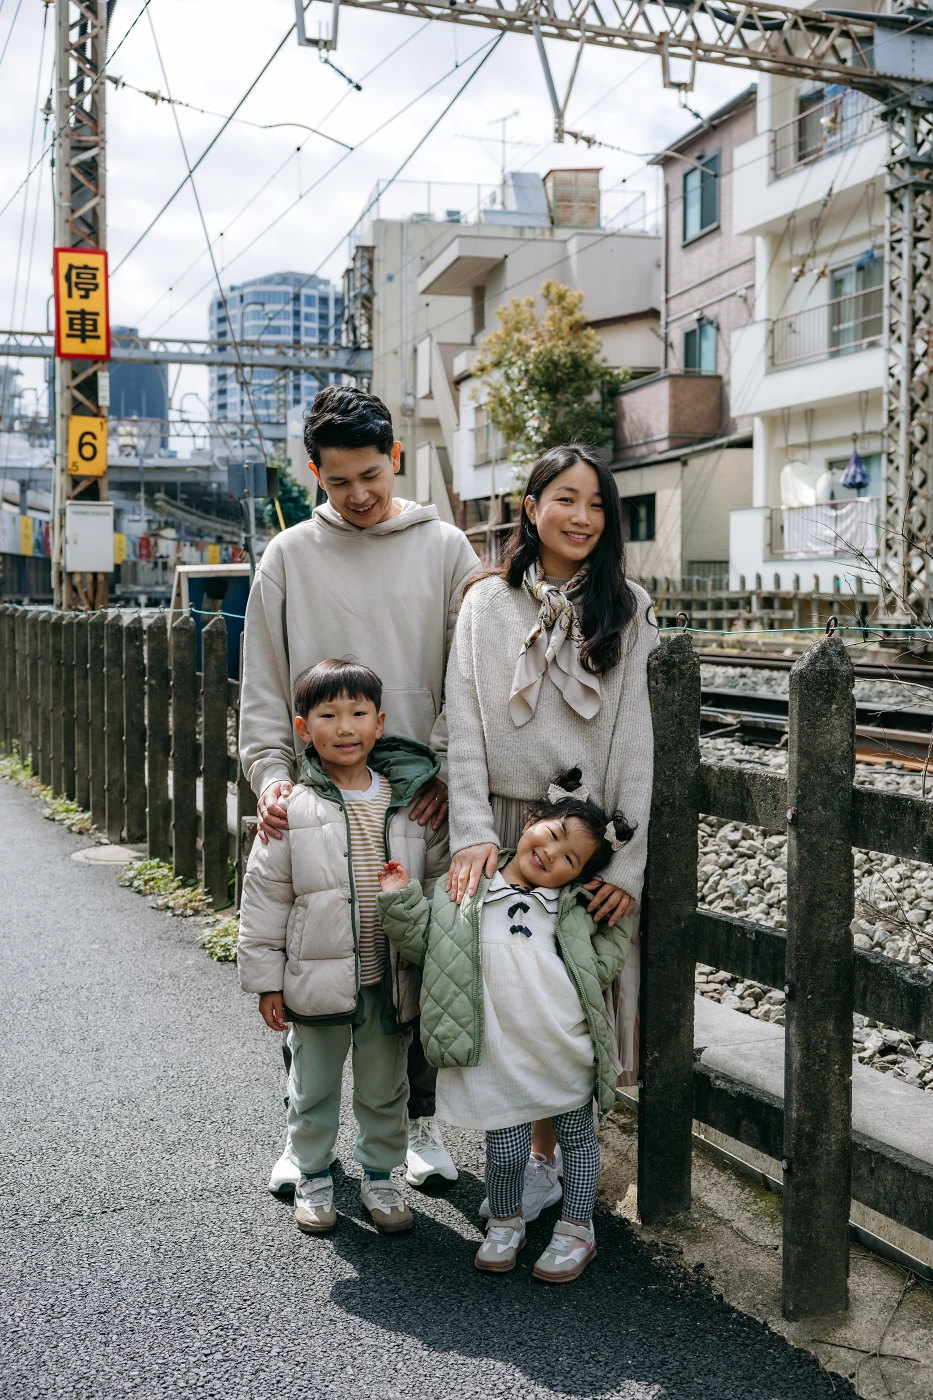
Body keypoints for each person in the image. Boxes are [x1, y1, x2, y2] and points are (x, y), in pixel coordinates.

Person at [239, 385, 478, 1195]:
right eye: (338, 482)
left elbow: (473, 676)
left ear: (395, 458)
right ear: (316, 475)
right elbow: (264, 687)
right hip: (313, 791)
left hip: (419, 793)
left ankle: (418, 1127)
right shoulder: (288, 556)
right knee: (316, 954)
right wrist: (271, 778)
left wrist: (449, 768)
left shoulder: (446, 547)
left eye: (371, 475)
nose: (360, 495)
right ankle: (300, 1132)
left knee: (414, 965)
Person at [443, 443, 657, 1222]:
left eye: (597, 503)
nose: (582, 517)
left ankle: (557, 1160)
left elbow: (635, 739)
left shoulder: (628, 607)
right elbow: (462, 726)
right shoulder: (483, 605)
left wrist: (624, 867)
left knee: (571, 998)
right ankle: (518, 1165)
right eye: (565, 499)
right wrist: (471, 830)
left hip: (581, 840)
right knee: (504, 998)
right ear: (530, 509)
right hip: (505, 829)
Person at [376, 785, 633, 1281]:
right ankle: (506, 1221)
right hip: (500, 1052)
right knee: (507, 1147)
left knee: (577, 1140)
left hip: (564, 1046)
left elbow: (598, 968)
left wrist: (620, 923)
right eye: (552, 835)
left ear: (578, 875)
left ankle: (578, 1229)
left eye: (569, 859)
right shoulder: (469, 888)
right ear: (532, 818)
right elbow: (427, 944)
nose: (551, 854)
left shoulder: (570, 910)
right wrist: (400, 900)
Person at [238, 659, 449, 1236]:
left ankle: (380, 1176)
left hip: (390, 976)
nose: (345, 726)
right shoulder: (291, 810)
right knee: (314, 1086)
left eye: (358, 713)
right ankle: (313, 1175)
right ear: (304, 729)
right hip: (317, 979)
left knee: (386, 1087)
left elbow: (438, 881)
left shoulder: (411, 804)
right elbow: (265, 899)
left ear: (380, 724)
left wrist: (434, 958)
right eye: (328, 715)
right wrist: (266, 981)